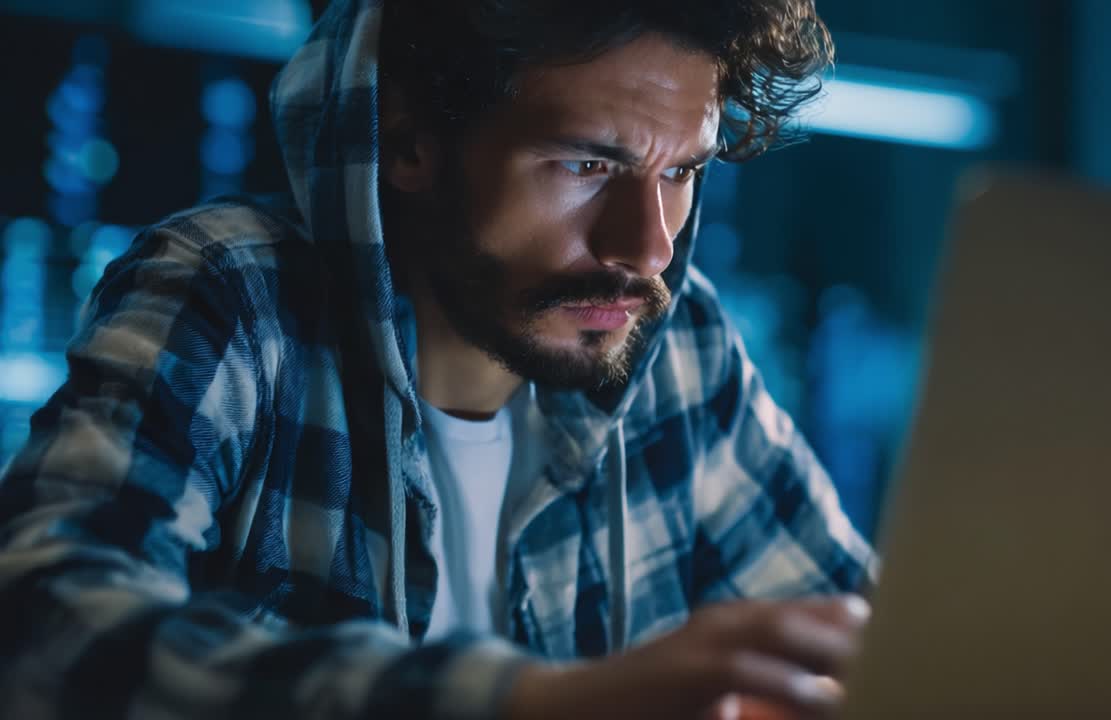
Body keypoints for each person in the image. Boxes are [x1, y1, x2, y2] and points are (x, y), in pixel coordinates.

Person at [0, 0, 878, 717]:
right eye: (586, 164)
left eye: (681, 172)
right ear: (409, 141)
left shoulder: (681, 344)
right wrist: (532, 705)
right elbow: (43, 621)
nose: (648, 248)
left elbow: (871, 647)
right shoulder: (234, 292)